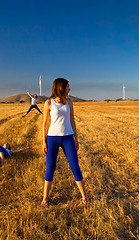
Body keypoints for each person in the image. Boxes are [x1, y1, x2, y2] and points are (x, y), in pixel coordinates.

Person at [41, 78, 88, 206]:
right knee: (50, 167)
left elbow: (72, 121)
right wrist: (43, 141)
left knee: (75, 166)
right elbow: (45, 123)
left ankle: (84, 196)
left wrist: (76, 138)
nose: (70, 89)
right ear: (61, 87)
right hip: (52, 138)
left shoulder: (69, 102)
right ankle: (45, 198)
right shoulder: (48, 103)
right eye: (68, 87)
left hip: (68, 138)